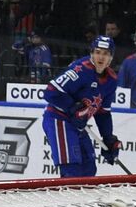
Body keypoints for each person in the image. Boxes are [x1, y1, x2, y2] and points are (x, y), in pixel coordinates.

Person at [43, 35, 120, 178]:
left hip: (78, 124)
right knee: (72, 170)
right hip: (58, 120)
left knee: (88, 168)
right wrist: (73, 108)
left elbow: (103, 112)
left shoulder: (111, 80)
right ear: (91, 53)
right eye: (97, 52)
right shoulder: (80, 69)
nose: (101, 57)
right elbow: (50, 92)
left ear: (111, 57)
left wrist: (108, 138)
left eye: (105, 53)